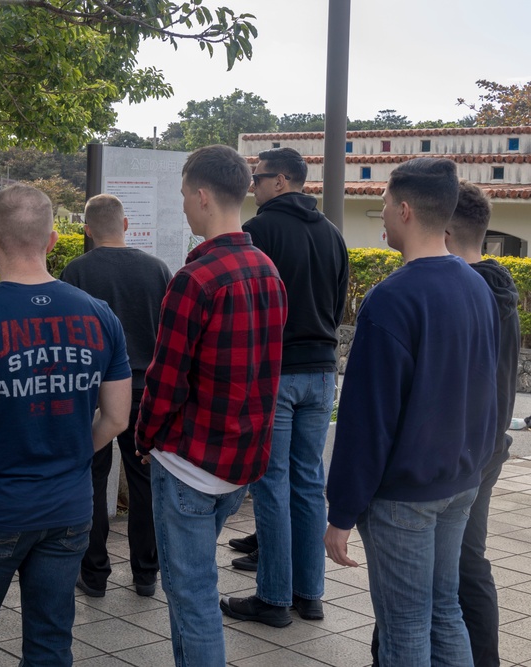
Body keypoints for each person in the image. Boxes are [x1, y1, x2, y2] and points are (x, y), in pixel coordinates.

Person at [0, 184, 132, 666]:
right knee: (50, 640)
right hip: (69, 509)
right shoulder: (100, 316)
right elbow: (117, 417)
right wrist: (79, 451)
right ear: (53, 240)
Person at [324, 159, 499, 666]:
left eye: (382, 204)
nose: (380, 213)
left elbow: (366, 420)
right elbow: (488, 387)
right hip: (460, 481)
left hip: (404, 495)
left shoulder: (392, 298)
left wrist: (342, 511)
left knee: (406, 626)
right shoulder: (476, 285)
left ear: (404, 209)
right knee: (445, 611)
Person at [135, 145, 287, 667]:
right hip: (241, 463)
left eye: (183, 196)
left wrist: (143, 437)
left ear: (202, 197)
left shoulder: (194, 279)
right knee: (191, 592)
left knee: (193, 596)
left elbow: (165, 379)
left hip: (189, 466)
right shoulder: (267, 269)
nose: (181, 206)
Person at [370, 180, 520, 667]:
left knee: (450, 581)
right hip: (475, 449)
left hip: (457, 456)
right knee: (442, 588)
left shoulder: (475, 292)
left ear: (445, 230)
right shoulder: (494, 290)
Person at [221, 147, 348, 626]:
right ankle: (309, 594)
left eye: (257, 177)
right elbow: (336, 305)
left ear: (280, 181)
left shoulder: (258, 233)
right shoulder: (333, 234)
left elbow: (249, 311)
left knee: (272, 484)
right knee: (310, 483)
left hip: (276, 372)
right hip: (321, 371)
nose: (252, 185)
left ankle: (273, 599)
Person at [59, 193, 172, 599]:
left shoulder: (76, 272)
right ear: (126, 225)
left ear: (87, 230)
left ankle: (93, 574)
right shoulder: (158, 270)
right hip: (143, 391)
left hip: (92, 394)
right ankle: (146, 574)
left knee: (92, 480)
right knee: (144, 484)